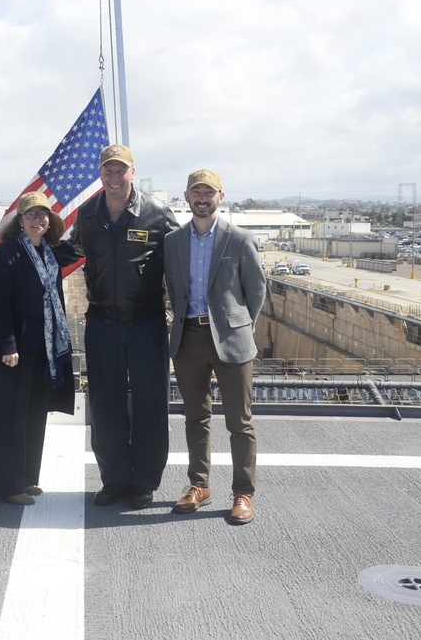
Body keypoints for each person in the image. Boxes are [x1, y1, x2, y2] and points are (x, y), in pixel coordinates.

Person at [56, 144, 179, 509]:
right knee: (105, 405)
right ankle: (114, 479)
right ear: (100, 174)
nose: (114, 177)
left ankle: (143, 482)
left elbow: (181, 259)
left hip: (146, 322)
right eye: (107, 170)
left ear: (132, 172)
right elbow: (70, 251)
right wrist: (28, 246)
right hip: (102, 324)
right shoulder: (89, 214)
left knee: (150, 405)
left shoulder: (156, 214)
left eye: (120, 170)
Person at [163, 169, 266, 525]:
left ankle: (243, 493)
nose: (202, 198)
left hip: (232, 340)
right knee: (196, 418)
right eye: (196, 192)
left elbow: (256, 291)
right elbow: (174, 290)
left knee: (240, 421)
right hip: (188, 337)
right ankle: (199, 485)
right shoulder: (173, 241)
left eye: (209, 192)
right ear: (187, 197)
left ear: (220, 196)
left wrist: (237, 324)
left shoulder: (239, 239)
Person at [0, 192, 75, 505]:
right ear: (19, 220)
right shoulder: (10, 251)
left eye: (43, 215)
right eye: (31, 215)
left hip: (41, 348)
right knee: (11, 416)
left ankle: (26, 478)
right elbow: (1, 304)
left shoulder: (50, 252)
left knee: (34, 415)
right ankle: (7, 485)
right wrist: (8, 345)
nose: (38, 220)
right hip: (14, 349)